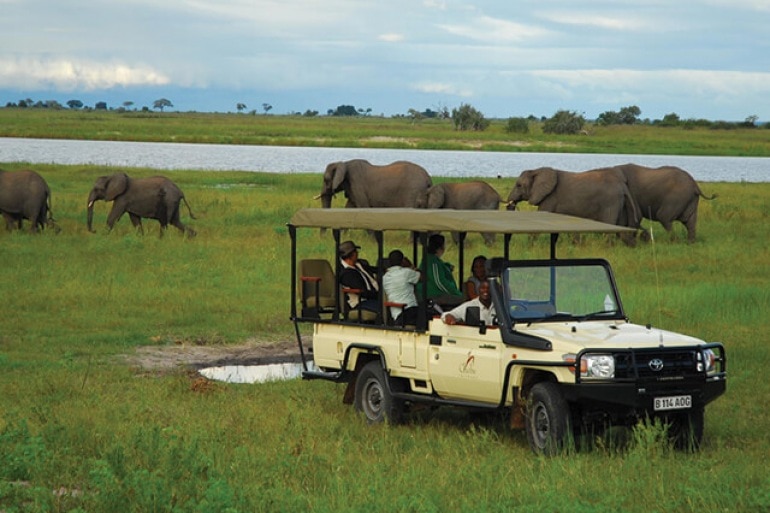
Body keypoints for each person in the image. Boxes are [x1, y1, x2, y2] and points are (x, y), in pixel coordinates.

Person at [338, 240, 380, 315]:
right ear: (351, 255)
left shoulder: (358, 264)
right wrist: (379, 295)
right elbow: (363, 292)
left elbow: (371, 268)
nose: (357, 253)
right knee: (383, 308)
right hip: (360, 302)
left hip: (371, 298)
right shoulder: (346, 274)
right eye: (355, 252)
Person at [421, 233, 463, 307]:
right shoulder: (433, 262)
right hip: (435, 295)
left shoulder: (432, 260)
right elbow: (439, 282)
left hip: (436, 293)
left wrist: (446, 266)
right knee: (464, 300)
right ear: (440, 247)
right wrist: (455, 293)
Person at [382, 249, 421, 326]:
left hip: (396, 315)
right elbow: (423, 277)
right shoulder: (406, 272)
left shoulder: (385, 277)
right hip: (409, 311)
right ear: (402, 261)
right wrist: (411, 266)